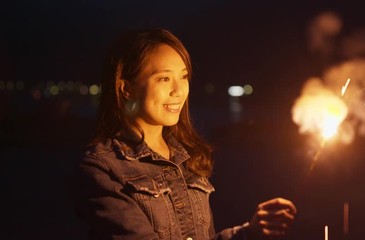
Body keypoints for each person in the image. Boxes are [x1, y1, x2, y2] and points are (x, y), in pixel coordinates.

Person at [70, 27, 297, 240]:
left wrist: (250, 232)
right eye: (164, 78)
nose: (179, 91)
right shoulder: (102, 169)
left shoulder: (186, 157)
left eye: (184, 76)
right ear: (126, 89)